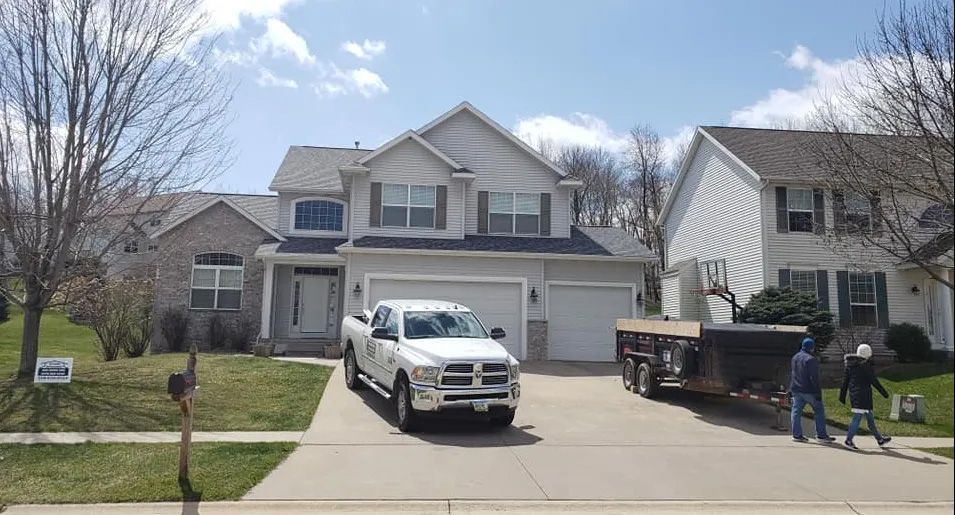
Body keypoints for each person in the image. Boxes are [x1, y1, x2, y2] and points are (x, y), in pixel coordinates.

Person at [839, 343, 892, 450]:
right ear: (868, 354)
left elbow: (845, 382)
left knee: (870, 420)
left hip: (856, 395)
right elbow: (874, 381)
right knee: (856, 419)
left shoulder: (850, 365)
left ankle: (880, 439)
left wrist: (842, 395)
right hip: (862, 397)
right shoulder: (866, 366)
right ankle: (848, 440)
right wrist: (884, 393)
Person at [790, 337, 835, 442]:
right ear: (812, 347)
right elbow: (814, 378)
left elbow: (793, 374)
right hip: (808, 390)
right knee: (819, 410)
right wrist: (818, 393)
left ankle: (796, 435)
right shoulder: (811, 359)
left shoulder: (795, 357)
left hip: (796, 388)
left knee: (796, 412)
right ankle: (821, 435)